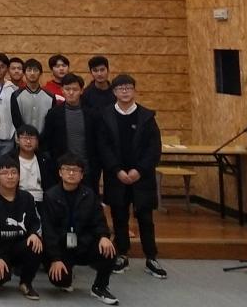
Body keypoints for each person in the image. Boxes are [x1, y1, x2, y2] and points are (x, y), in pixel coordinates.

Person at [96, 74, 166, 279]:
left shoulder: (147, 116)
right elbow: (103, 146)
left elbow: (154, 148)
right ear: (114, 92)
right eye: (121, 88)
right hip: (116, 175)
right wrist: (117, 169)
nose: (125, 91)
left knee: (145, 217)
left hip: (141, 176)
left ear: (134, 90)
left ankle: (151, 257)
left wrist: (139, 170)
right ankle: (122, 254)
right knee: (119, 216)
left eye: (128, 87)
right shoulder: (105, 115)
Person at [42, 153, 119, 305]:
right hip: (62, 246)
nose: (71, 173)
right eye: (67, 169)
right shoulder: (50, 196)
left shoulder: (89, 195)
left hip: (83, 243)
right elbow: (49, 230)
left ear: (82, 175)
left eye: (76, 170)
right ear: (60, 172)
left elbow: (99, 220)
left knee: (110, 250)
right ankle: (66, 272)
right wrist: (55, 258)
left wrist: (104, 236)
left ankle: (99, 287)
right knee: (60, 280)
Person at [0, 155, 43, 299]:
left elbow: (36, 222)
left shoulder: (27, 197)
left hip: (18, 246)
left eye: (14, 172)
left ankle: (26, 283)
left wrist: (35, 233)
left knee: (36, 243)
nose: (10, 176)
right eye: (5, 173)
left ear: (19, 175)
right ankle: (3, 272)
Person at [42, 73, 98, 190]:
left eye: (75, 89)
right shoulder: (53, 114)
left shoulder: (92, 114)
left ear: (81, 91)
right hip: (61, 171)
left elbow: (97, 142)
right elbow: (47, 142)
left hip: (86, 170)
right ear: (62, 90)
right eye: (67, 89)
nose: (71, 93)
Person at [11, 59, 56, 136]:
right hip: (23, 138)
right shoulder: (16, 95)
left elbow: (51, 121)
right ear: (24, 73)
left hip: (44, 140)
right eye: (29, 70)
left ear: (40, 73)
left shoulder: (50, 96)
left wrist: (41, 137)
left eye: (35, 70)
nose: (32, 73)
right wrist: (27, 136)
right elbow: (17, 121)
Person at [14, 124, 54, 207]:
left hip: (40, 200)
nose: (28, 142)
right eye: (25, 138)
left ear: (37, 141)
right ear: (17, 140)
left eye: (32, 138)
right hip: (16, 199)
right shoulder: (10, 159)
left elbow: (50, 185)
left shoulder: (44, 160)